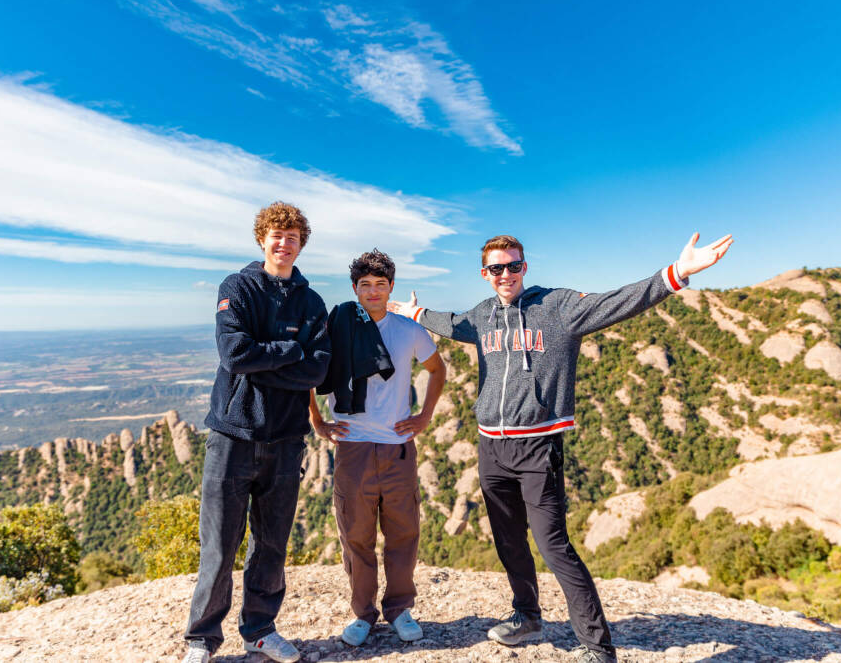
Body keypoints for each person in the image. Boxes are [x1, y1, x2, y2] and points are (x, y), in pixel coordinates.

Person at [388, 232, 732, 663]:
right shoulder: (483, 316)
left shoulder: (558, 307)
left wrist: (677, 273)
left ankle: (598, 648)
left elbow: (618, 302)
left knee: (553, 546)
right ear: (485, 274)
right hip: (491, 447)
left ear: (524, 267)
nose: (506, 274)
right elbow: (451, 321)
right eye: (497, 268)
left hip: (537, 447)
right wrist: (413, 312)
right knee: (508, 539)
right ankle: (527, 616)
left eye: (514, 265)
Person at [182, 202, 331, 663]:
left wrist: (272, 362)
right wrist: (291, 351)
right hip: (233, 436)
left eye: (292, 236)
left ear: (301, 244)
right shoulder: (239, 287)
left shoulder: (311, 302)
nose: (283, 243)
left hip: (286, 438)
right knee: (220, 546)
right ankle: (202, 640)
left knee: (271, 545)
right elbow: (235, 355)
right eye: (276, 234)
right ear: (262, 239)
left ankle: (260, 630)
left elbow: (319, 372)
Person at [309, 249, 446, 648]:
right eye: (365, 285)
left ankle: (400, 609)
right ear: (355, 288)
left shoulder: (409, 330)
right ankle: (363, 614)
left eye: (380, 285)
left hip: (398, 447)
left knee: (404, 532)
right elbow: (309, 375)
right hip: (352, 446)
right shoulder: (337, 330)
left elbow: (438, 370)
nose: (372, 292)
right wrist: (316, 421)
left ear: (391, 288)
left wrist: (425, 416)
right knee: (356, 535)